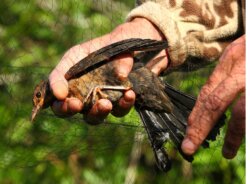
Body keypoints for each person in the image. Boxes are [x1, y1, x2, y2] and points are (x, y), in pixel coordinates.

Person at [48, 0, 245, 159]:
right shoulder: (67, 88)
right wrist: (156, 24)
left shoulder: (73, 74)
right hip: (137, 78)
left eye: (39, 97)